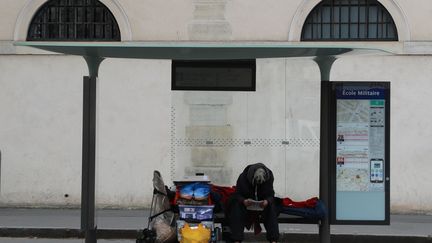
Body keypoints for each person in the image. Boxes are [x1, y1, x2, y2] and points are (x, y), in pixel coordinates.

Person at [228, 163, 279, 243]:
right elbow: (237, 194)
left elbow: (271, 195)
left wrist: (267, 201)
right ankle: (236, 239)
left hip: (262, 206)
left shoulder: (269, 177)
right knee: (236, 206)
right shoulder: (243, 177)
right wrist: (243, 201)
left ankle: (273, 240)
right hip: (246, 205)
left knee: (271, 207)